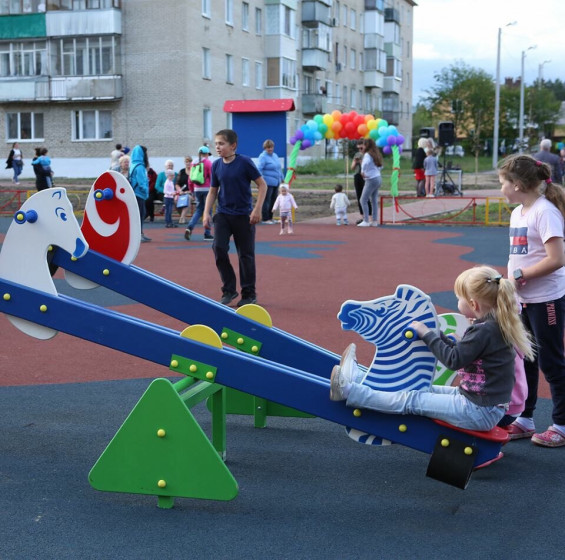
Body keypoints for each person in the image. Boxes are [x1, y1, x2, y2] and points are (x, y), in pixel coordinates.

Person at [330, 265, 534, 432]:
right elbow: (467, 354)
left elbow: (453, 360)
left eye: (459, 298)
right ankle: (359, 380)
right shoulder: (494, 325)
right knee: (421, 387)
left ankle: (351, 392)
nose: (457, 302)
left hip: (478, 411)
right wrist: (436, 334)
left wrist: (426, 333)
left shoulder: (484, 331)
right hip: (479, 403)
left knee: (413, 399)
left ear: (473, 304)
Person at [498, 154, 565, 447]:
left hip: (546, 300)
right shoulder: (518, 212)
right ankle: (525, 419)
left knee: (551, 362)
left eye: (501, 182)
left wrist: (522, 274)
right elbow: (519, 255)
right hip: (523, 300)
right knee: (526, 360)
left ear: (515, 184)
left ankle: (561, 425)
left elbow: (557, 259)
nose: (500, 187)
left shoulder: (544, 211)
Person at [202, 129, 267, 307]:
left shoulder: (244, 162)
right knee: (219, 248)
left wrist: (257, 209)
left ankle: (249, 294)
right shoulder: (216, 165)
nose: (218, 147)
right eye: (216, 144)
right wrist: (206, 212)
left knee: (245, 255)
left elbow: (262, 185)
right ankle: (229, 290)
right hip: (223, 214)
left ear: (233, 146)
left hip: (243, 216)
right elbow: (213, 191)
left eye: (221, 144)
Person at [185, 146, 213, 240]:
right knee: (208, 210)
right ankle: (207, 233)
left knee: (199, 210)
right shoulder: (208, 163)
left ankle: (190, 227)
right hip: (207, 189)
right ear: (206, 154)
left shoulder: (193, 163)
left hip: (197, 189)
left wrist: (192, 190)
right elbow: (212, 177)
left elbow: (190, 179)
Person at [257, 139, 284, 224]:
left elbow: (278, 168)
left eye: (271, 147)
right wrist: (260, 182)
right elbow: (259, 169)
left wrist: (282, 178)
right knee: (266, 200)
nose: (270, 149)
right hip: (267, 182)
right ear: (265, 148)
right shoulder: (262, 157)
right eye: (268, 147)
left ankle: (271, 217)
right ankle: (265, 218)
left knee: (273, 200)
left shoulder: (275, 155)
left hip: (276, 182)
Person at [357, 138, 382, 227]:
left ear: (366, 145)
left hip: (371, 179)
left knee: (363, 199)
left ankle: (366, 220)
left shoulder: (368, 155)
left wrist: (362, 171)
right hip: (378, 178)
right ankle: (374, 221)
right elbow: (381, 166)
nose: (362, 146)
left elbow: (365, 163)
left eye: (363, 144)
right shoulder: (376, 154)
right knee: (374, 200)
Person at [129, 145, 151, 243]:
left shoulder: (133, 165)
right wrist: (146, 191)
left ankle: (139, 233)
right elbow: (142, 182)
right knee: (141, 214)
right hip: (139, 194)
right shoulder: (140, 167)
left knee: (138, 214)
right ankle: (138, 234)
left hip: (134, 193)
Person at [351, 140, 369, 223]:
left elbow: (366, 166)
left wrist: (361, 162)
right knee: (359, 196)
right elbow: (352, 168)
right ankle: (362, 216)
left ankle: (369, 216)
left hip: (365, 175)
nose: (360, 150)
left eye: (361, 148)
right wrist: (355, 162)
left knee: (365, 196)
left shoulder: (368, 155)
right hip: (357, 175)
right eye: (358, 148)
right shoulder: (357, 154)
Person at [176, 155, 194, 225]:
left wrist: (188, 191)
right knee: (175, 200)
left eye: (189, 161)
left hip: (191, 192)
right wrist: (180, 190)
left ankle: (182, 218)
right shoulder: (182, 171)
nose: (188, 163)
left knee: (187, 198)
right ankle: (182, 216)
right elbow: (177, 184)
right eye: (186, 162)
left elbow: (196, 185)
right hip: (181, 192)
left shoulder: (194, 171)